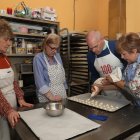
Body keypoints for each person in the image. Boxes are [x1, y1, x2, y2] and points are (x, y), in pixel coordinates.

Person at [0, 19, 33, 140]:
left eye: (10, 39)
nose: (9, 43)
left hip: (12, 109)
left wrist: (20, 98)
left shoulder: (5, 58)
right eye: (6, 39)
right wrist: (8, 110)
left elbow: (13, 80)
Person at [86, 30, 127, 98]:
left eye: (95, 46)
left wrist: (113, 80)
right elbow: (94, 75)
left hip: (123, 91)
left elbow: (127, 65)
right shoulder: (90, 56)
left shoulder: (115, 46)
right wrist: (96, 85)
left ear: (102, 39)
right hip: (106, 92)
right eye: (91, 48)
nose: (93, 50)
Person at [33, 33, 67, 103]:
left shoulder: (57, 56)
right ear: (45, 45)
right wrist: (51, 97)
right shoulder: (38, 58)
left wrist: (64, 91)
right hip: (47, 97)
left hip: (61, 94)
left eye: (56, 49)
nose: (54, 51)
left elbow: (62, 77)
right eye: (52, 48)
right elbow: (39, 82)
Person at [109, 32, 140, 106]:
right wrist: (101, 87)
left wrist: (114, 80)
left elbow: (134, 89)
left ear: (134, 51)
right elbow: (123, 84)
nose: (122, 57)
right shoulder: (130, 64)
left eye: (124, 54)